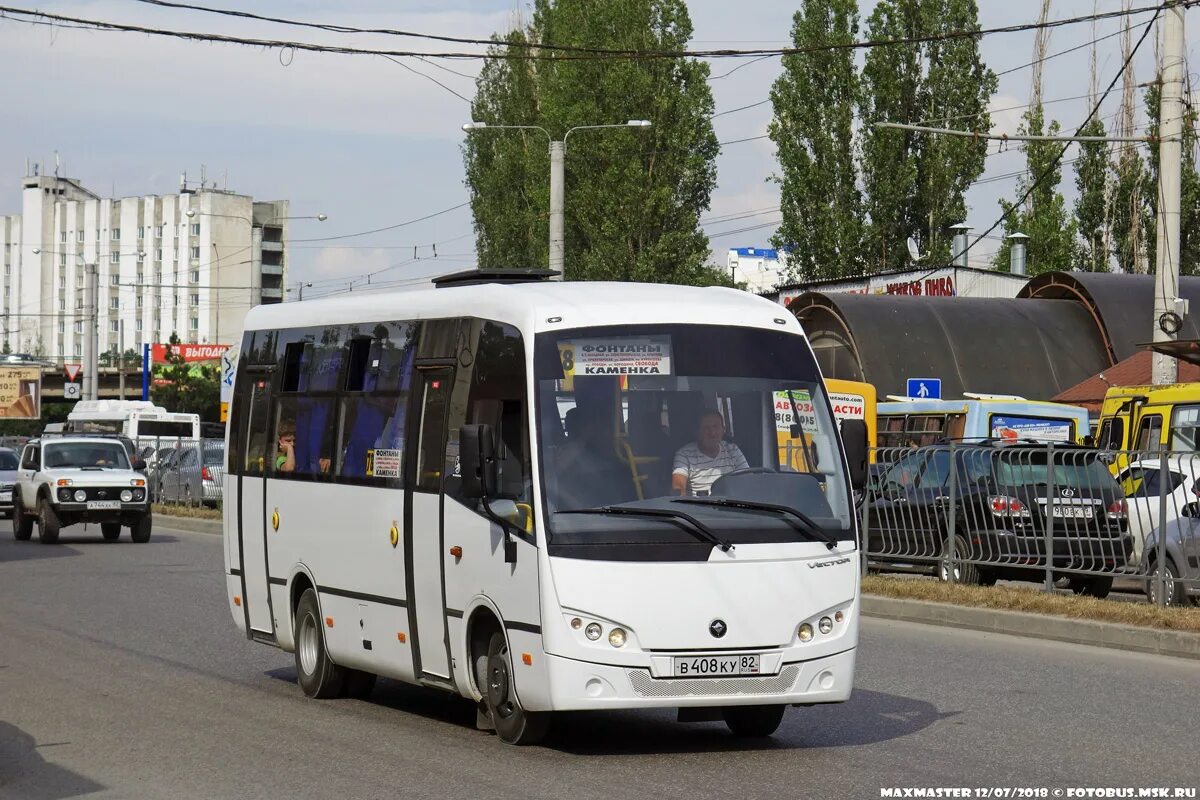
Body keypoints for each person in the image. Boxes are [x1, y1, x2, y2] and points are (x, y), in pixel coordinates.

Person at [672, 410, 749, 496]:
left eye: (715, 427)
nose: (712, 433)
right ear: (697, 432)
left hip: (732, 505)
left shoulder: (733, 450)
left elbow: (748, 481)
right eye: (706, 428)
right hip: (697, 508)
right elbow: (678, 487)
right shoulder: (684, 454)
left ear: (723, 430)